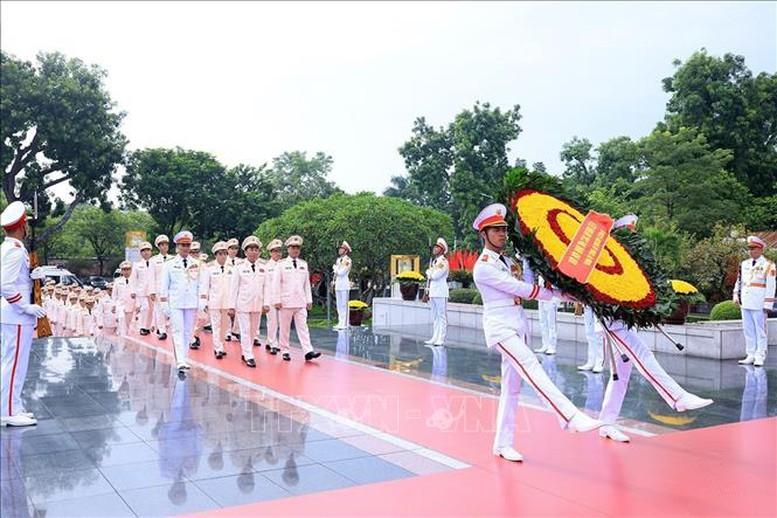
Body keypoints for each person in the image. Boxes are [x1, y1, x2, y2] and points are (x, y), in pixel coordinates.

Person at [471, 203, 603, 462]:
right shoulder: (484, 266)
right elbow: (520, 289)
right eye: (495, 230)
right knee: (531, 365)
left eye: (503, 229)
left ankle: (502, 443)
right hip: (501, 329)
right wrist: (558, 294)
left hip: (518, 326)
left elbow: (528, 283)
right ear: (483, 235)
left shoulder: (508, 261)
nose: (501, 234)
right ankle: (569, 416)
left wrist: (555, 280)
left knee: (511, 388)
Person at [596, 215, 713, 443]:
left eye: (633, 233)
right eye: (628, 234)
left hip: (623, 321)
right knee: (643, 356)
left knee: (620, 377)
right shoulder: (606, 257)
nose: (633, 238)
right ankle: (677, 397)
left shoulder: (630, 260)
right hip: (610, 322)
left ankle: (607, 423)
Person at [1, 201, 47, 427]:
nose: (27, 228)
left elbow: (17, 281)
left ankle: (12, 405)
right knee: (14, 364)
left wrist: (33, 277)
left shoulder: (9, 248)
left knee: (14, 362)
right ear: (21, 227)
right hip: (16, 315)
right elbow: (6, 285)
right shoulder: (16, 251)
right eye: (26, 224)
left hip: (14, 315)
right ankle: (8, 411)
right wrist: (25, 307)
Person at [159, 230, 207, 370]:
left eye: (187, 245)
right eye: (182, 245)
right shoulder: (169, 264)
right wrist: (164, 303)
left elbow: (201, 284)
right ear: (177, 247)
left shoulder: (197, 264)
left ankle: (185, 357)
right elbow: (164, 286)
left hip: (191, 302)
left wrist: (202, 301)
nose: (185, 248)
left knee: (187, 331)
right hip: (175, 302)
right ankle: (180, 359)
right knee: (178, 330)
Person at [271, 235, 322, 362]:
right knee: (285, 328)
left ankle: (308, 351)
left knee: (303, 327)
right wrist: (276, 300)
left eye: (297, 248)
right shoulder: (281, 264)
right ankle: (285, 350)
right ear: (288, 249)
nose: (295, 250)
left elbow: (306, 284)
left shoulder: (303, 264)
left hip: (300, 301)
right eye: (293, 248)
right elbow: (276, 284)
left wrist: (309, 300)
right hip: (285, 302)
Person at [733, 235, 775, 367]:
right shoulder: (744, 264)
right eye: (749, 249)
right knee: (748, 329)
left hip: (759, 301)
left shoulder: (768, 265)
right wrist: (735, 295)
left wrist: (768, 303)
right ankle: (750, 354)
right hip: (745, 300)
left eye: (754, 249)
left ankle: (760, 355)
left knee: (760, 330)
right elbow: (739, 281)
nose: (751, 251)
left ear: (761, 249)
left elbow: (771, 285)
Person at [228, 236, 268, 368]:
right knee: (245, 330)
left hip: (257, 303)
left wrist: (266, 303)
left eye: (256, 249)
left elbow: (266, 287)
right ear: (245, 252)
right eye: (251, 249)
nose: (254, 252)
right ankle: (249, 355)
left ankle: (246, 352)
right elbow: (233, 289)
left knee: (253, 331)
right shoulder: (239, 267)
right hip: (243, 303)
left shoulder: (263, 267)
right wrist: (231, 306)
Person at [201, 241, 231, 360]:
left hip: (227, 302)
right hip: (214, 301)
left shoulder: (232, 269)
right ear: (216, 255)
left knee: (224, 325)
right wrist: (204, 301)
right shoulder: (209, 269)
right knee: (216, 325)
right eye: (220, 254)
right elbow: (205, 286)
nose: (223, 256)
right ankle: (217, 348)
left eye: (224, 253)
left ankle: (222, 345)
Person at [424, 237, 450, 346]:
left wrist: (428, 272)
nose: (434, 249)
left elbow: (435, 276)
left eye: (437, 247)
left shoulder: (443, 262)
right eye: (434, 247)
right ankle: (435, 337)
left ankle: (441, 338)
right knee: (435, 316)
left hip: (440, 291)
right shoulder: (436, 261)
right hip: (433, 291)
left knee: (441, 316)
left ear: (442, 249)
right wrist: (430, 272)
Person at [263, 239, 284, 355]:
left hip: (281, 298)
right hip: (270, 298)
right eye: (275, 251)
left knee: (281, 322)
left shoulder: (284, 265)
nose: (277, 254)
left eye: (279, 251)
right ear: (270, 253)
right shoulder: (266, 266)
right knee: (272, 321)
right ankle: (273, 343)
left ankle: (269, 340)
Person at [132, 241, 157, 336]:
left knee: (151, 309)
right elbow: (133, 280)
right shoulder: (137, 265)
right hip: (141, 291)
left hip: (152, 290)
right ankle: (142, 327)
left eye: (147, 250)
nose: (146, 252)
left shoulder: (154, 263)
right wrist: (133, 291)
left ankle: (147, 327)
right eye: (143, 251)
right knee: (145, 308)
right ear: (140, 253)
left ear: (151, 252)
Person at [151, 234, 172, 340]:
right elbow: (151, 277)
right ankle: (162, 331)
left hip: (171, 289)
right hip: (159, 289)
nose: (164, 246)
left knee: (171, 309)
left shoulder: (173, 259)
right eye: (162, 245)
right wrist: (152, 291)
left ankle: (171, 329)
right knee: (160, 310)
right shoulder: (153, 260)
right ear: (158, 247)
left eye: (166, 244)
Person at [535, 274, 560, 354]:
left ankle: (552, 346)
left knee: (551, 323)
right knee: (543, 321)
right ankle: (545, 344)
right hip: (541, 295)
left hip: (551, 296)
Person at [577, 304, 604, 372]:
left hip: (598, 305)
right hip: (588, 305)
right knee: (589, 334)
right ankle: (591, 361)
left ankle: (599, 362)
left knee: (599, 335)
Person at [113, 260, 137, 336]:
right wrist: (113, 305)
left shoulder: (135, 281)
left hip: (132, 306)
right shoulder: (117, 281)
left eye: (128, 269)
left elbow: (139, 294)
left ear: (131, 270)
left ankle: (129, 342)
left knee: (131, 326)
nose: (126, 271)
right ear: (121, 271)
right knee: (122, 322)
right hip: (121, 306)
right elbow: (114, 295)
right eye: (124, 269)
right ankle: (122, 341)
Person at [332, 241, 352, 330]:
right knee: (339, 305)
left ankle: (345, 323)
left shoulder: (348, 260)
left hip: (344, 285)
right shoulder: (338, 260)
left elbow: (341, 273)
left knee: (344, 304)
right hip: (338, 285)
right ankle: (340, 322)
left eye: (342, 249)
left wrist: (335, 269)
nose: (340, 250)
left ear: (346, 251)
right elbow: (337, 275)